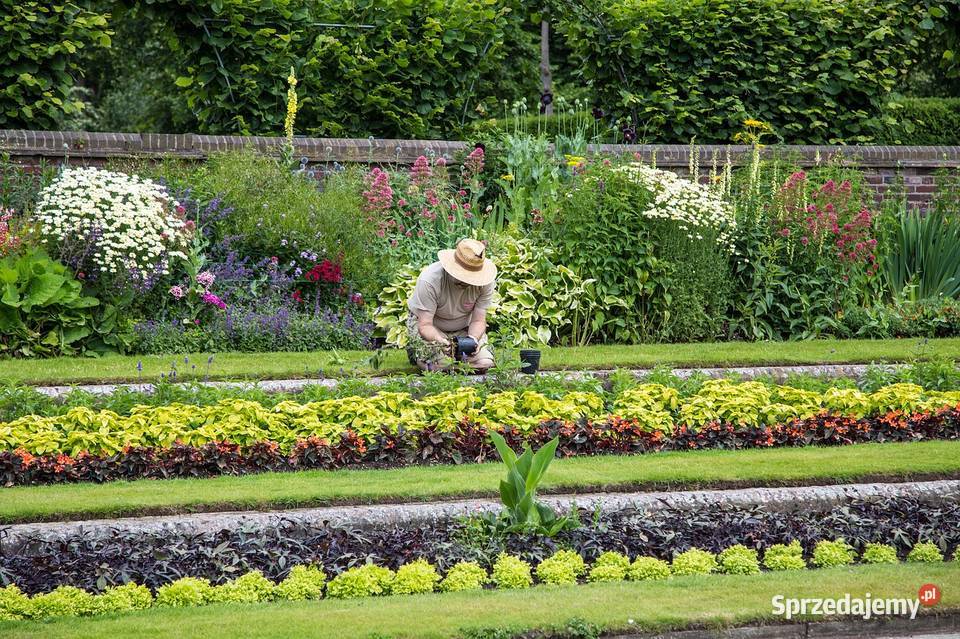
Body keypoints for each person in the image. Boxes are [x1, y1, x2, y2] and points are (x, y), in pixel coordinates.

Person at [406, 238, 496, 372]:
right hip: (432, 329)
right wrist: (439, 340)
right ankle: (420, 353)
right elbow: (425, 325)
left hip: (463, 330)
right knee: (437, 366)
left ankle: (453, 365)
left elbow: (478, 320)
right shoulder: (430, 280)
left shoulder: (485, 282)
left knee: (485, 362)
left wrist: (472, 339)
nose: (467, 281)